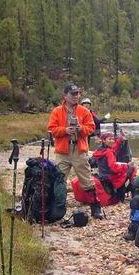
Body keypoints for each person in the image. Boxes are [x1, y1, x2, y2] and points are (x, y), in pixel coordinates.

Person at [48, 83, 103, 219]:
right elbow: (52, 129)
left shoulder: (84, 111)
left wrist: (81, 128)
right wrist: (65, 130)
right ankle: (57, 208)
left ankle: (95, 207)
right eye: (73, 94)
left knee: (86, 179)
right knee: (59, 180)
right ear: (65, 96)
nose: (76, 96)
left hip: (79, 150)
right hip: (62, 151)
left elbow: (91, 128)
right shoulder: (56, 111)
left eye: (78, 93)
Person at [91, 131, 136, 202]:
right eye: (110, 139)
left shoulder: (100, 150)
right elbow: (114, 168)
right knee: (132, 169)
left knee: (125, 171)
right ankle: (129, 195)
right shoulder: (109, 152)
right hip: (111, 178)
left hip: (103, 175)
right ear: (103, 140)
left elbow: (113, 148)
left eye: (113, 139)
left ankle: (122, 194)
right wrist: (127, 165)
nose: (112, 141)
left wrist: (120, 140)